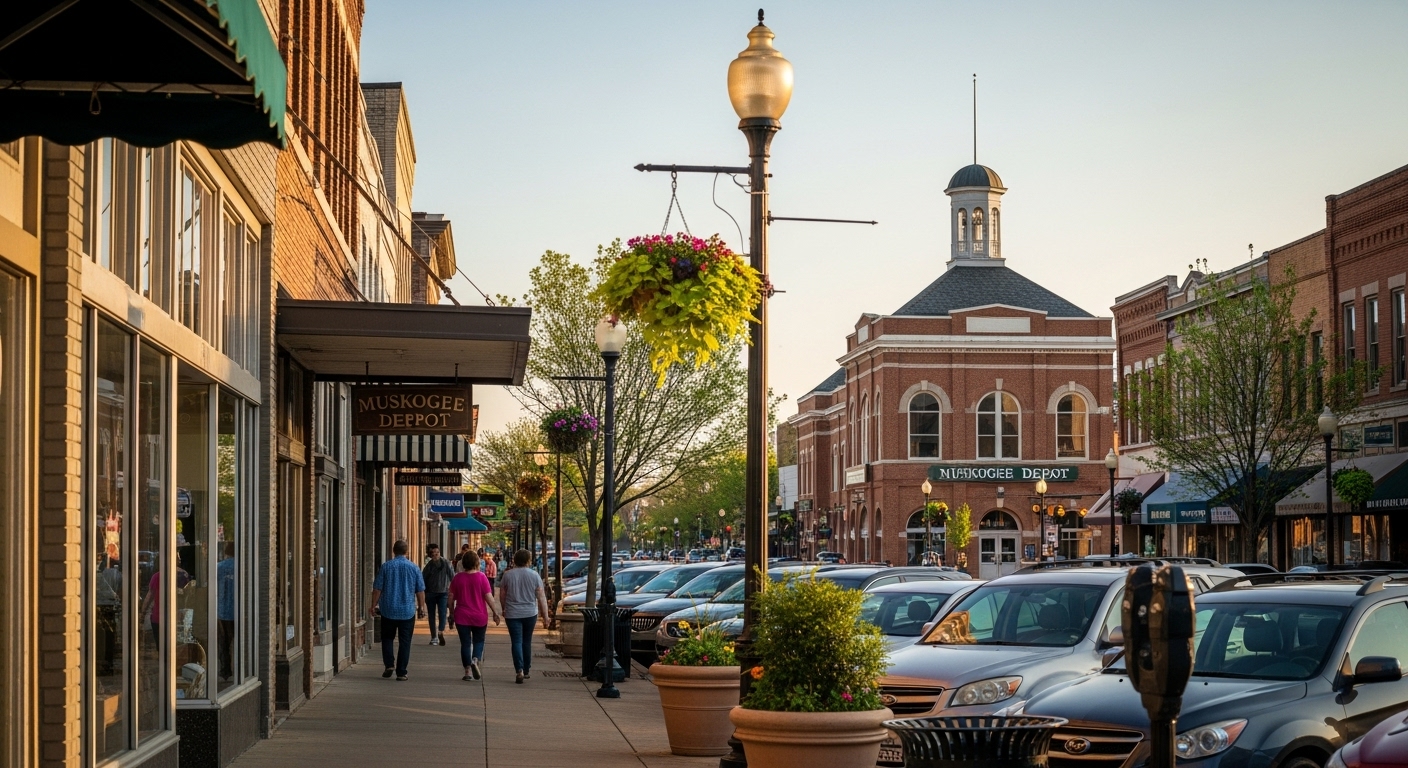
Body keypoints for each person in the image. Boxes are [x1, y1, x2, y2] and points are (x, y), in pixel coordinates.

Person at [368, 540, 427, 681]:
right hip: (407, 611)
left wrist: (373, 605)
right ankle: (401, 672)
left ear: (393, 551)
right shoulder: (414, 568)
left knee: (387, 638)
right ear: (406, 551)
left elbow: (377, 588)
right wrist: (421, 608)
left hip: (388, 609)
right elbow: (420, 590)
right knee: (405, 641)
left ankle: (389, 665)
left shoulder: (386, 567)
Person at [497, 548, 550, 684]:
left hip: (512, 613)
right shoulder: (534, 575)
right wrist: (546, 616)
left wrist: (504, 609)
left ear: (515, 560)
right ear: (528, 560)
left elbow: (502, 595)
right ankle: (526, 669)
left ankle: (519, 669)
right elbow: (541, 597)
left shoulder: (507, 575)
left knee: (516, 641)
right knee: (527, 641)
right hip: (530, 613)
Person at [448, 551, 501, 681]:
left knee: (465, 644)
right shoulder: (482, 577)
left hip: (462, 616)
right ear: (477, 562)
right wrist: (495, 612)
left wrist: (451, 613)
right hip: (479, 615)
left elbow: (450, 597)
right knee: (479, 641)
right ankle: (476, 659)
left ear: (463, 563)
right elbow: (488, 597)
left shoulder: (457, 578)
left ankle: (467, 671)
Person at [421, 544, 454, 646]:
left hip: (443, 593)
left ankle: (440, 631)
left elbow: (452, 577)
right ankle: (434, 637)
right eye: (433, 553)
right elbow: (423, 579)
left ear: (440, 552)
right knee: (431, 615)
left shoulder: (446, 563)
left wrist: (452, 591)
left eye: (437, 552)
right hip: (430, 593)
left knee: (442, 613)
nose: (435, 554)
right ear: (430, 554)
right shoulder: (428, 566)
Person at [216, 542, 236, 682]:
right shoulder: (242, 566)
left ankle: (225, 671)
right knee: (239, 641)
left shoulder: (219, 567)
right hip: (238, 610)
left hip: (222, 611)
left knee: (223, 642)